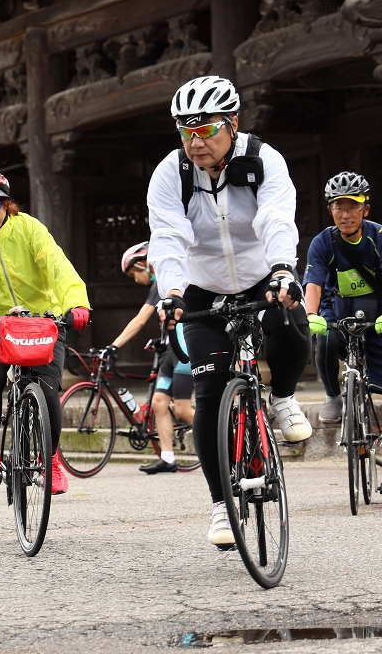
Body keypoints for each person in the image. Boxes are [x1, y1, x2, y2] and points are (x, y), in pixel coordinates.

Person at [147, 75, 312, 547]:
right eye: (186, 131)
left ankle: (281, 398)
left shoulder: (263, 160)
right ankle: (221, 506)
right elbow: (169, 236)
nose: (195, 141)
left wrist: (283, 270)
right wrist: (172, 292)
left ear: (233, 124)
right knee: (209, 393)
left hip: (263, 273)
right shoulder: (170, 174)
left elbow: (277, 217)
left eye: (206, 129)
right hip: (202, 288)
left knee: (293, 329)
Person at [0, 167, 92, 496]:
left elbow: (57, 265)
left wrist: (77, 303)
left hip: (43, 317)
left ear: (6, 203)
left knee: (46, 386)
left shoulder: (29, 228)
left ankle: (51, 461)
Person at [302, 172, 382, 492]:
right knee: (324, 338)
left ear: (366, 208)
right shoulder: (323, 241)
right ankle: (334, 396)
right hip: (339, 314)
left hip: (379, 316)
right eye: (338, 207)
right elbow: (314, 283)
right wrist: (310, 315)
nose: (345, 214)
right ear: (330, 209)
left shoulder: (381, 237)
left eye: (352, 207)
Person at [105, 241, 195, 475]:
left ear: (146, 264)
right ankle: (167, 458)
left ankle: (226, 443)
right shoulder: (159, 287)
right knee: (159, 403)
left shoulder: (165, 284)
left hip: (185, 352)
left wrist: (114, 346)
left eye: (135, 273)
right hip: (169, 352)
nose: (135, 279)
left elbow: (140, 320)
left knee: (184, 410)